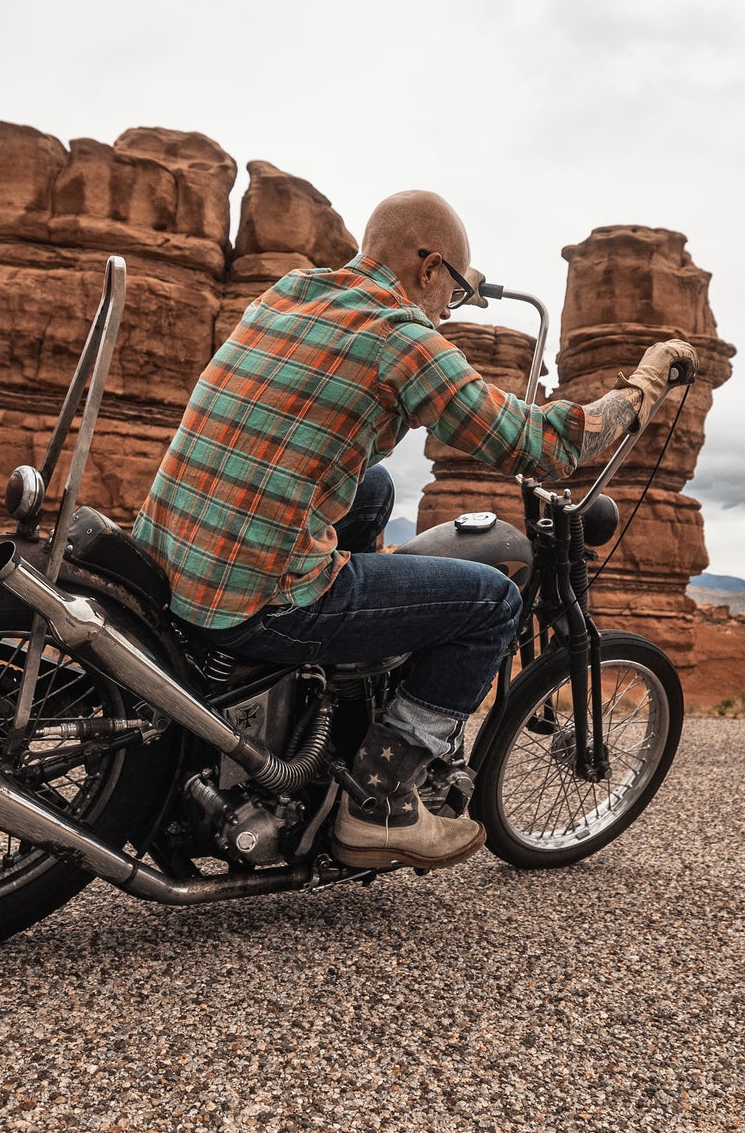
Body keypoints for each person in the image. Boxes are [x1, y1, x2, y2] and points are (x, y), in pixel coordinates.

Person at [133, 191, 695, 871]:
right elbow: (546, 445)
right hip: (255, 595)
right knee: (492, 603)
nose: (448, 309)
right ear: (429, 267)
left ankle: (344, 684)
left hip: (166, 557)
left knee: (372, 487)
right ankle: (377, 804)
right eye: (452, 291)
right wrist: (643, 386)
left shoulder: (294, 289)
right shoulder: (405, 340)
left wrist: (464, 287)